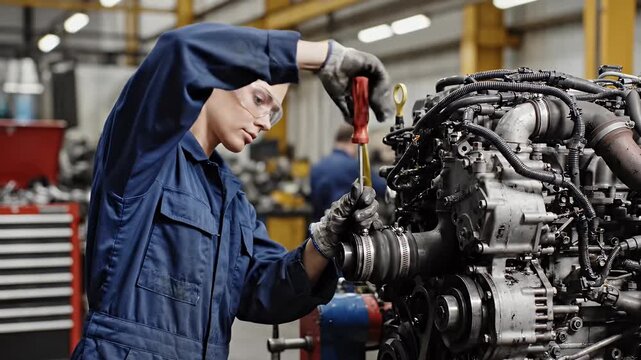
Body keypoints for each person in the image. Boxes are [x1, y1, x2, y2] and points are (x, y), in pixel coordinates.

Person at [71, 23, 393, 360]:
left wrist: (325, 242)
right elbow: (179, 51)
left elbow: (264, 289)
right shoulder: (144, 153)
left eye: (274, 111)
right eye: (259, 99)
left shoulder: (230, 199)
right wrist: (324, 56)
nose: (267, 122)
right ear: (215, 79)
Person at [310, 124, 387, 222]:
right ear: (353, 141)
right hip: (342, 230)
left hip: (319, 227)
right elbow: (382, 188)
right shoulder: (355, 165)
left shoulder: (317, 166)